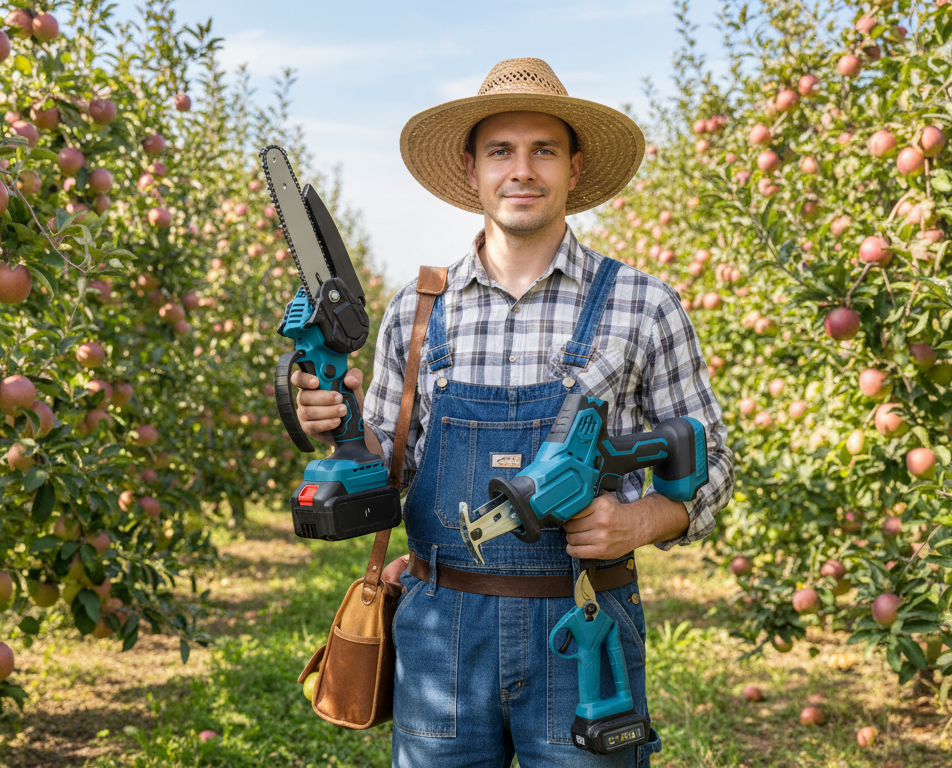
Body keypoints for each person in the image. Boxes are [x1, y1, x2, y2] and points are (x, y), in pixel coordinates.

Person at [290, 57, 733, 767]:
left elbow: (711, 466)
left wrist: (638, 519)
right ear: (472, 170)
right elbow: (390, 468)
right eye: (501, 151)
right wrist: (339, 429)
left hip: (582, 619)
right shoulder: (418, 308)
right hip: (442, 634)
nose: (521, 170)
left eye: (543, 151)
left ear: (574, 168)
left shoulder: (644, 305)